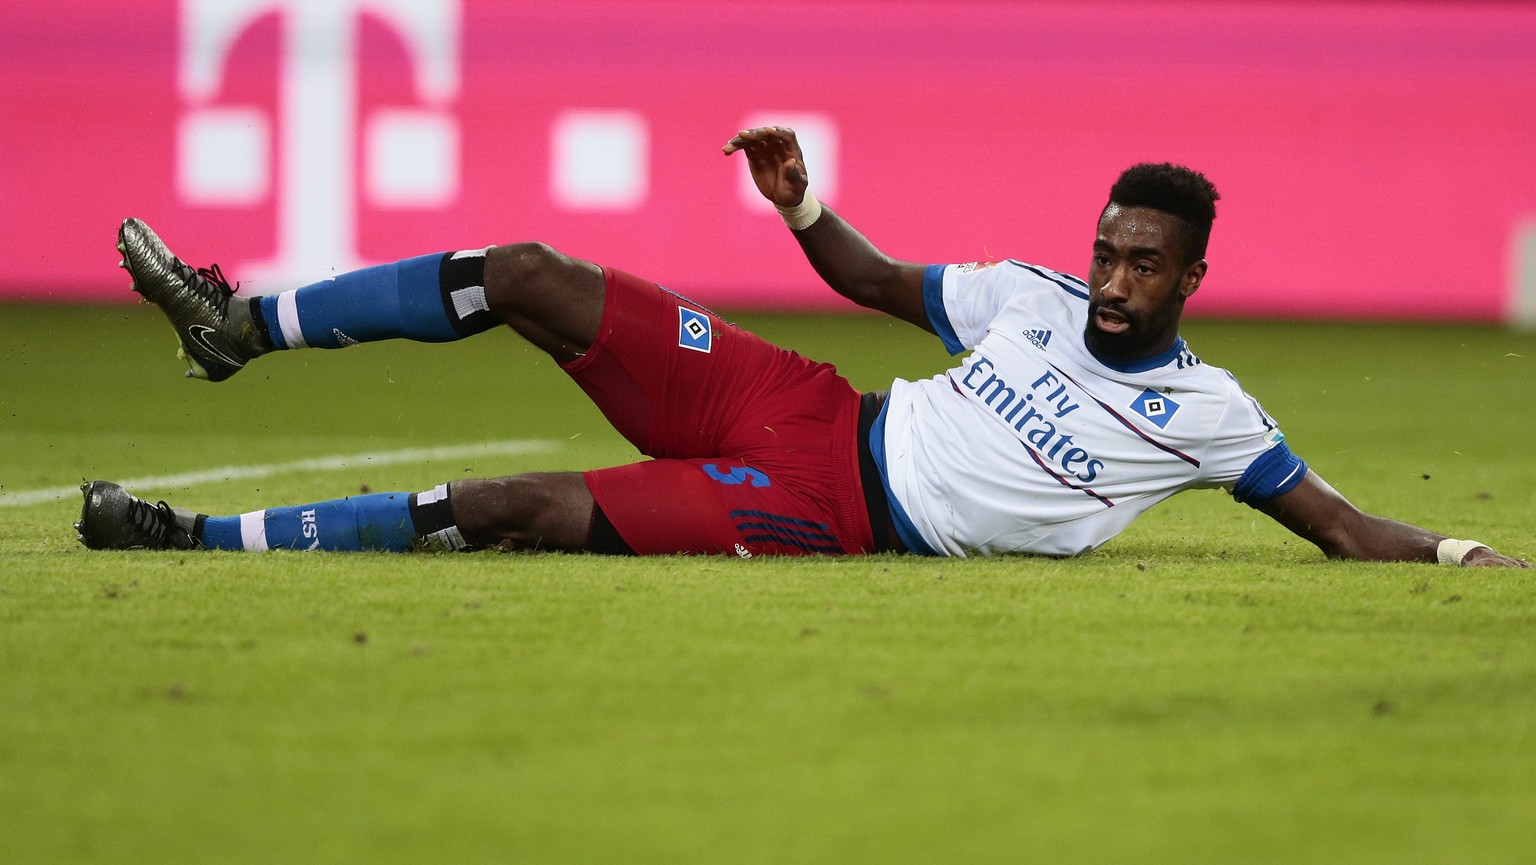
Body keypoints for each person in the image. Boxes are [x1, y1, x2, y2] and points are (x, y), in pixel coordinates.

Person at [77, 127, 1527, 568]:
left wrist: (1465, 557)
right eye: (1105, 249)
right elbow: (877, 278)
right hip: (806, 402)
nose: (1111, 278)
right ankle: (237, 324)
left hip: (837, 510)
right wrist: (804, 206)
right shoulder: (1026, 293)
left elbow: (1337, 527)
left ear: (1192, 277)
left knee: (512, 506)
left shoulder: (1214, 414)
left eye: (1143, 264)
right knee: (527, 272)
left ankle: (193, 539)